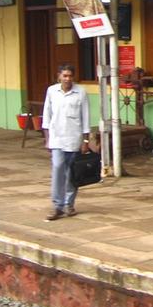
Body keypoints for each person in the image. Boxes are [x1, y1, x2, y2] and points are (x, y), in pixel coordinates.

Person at [42, 64, 91, 221]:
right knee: (57, 168)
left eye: (70, 76)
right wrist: (47, 138)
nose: (67, 79)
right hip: (56, 138)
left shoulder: (80, 92)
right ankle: (57, 205)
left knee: (71, 172)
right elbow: (47, 115)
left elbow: (86, 117)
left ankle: (69, 204)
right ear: (59, 76)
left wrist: (85, 140)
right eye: (65, 76)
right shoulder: (52, 91)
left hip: (73, 138)